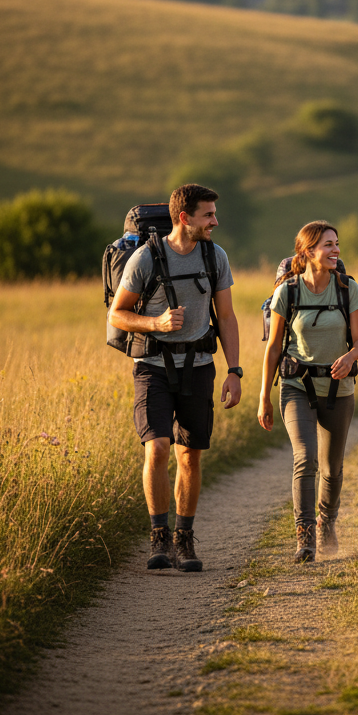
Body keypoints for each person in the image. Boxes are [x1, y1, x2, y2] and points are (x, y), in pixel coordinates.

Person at [108, 184, 242, 572]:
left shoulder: (215, 256)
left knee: (190, 455)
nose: (215, 221)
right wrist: (155, 322)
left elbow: (228, 318)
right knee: (159, 448)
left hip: (199, 366)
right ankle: (159, 537)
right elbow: (117, 314)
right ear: (184, 218)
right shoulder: (145, 259)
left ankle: (184, 539)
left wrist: (234, 371)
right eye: (208, 215)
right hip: (151, 366)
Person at [258, 221, 358, 563]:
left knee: (332, 468)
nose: (336, 250)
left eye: (337, 244)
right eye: (328, 245)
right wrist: (264, 397)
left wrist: (350, 357)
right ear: (307, 252)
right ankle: (304, 534)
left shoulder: (348, 289)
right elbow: (273, 347)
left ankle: (326, 522)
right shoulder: (287, 293)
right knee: (306, 458)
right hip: (296, 387)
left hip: (339, 388)